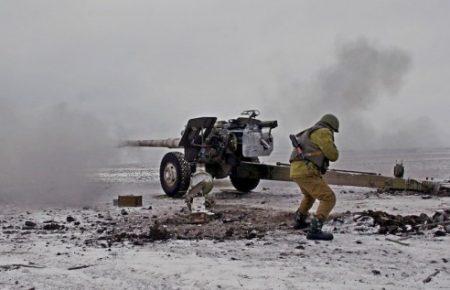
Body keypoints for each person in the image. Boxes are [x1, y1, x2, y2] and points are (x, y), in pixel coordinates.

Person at [289, 114, 339, 241]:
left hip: (296, 170)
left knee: (309, 196)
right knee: (328, 198)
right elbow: (333, 155)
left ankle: (299, 220)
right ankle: (315, 230)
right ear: (331, 127)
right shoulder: (323, 132)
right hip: (307, 170)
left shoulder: (307, 132)